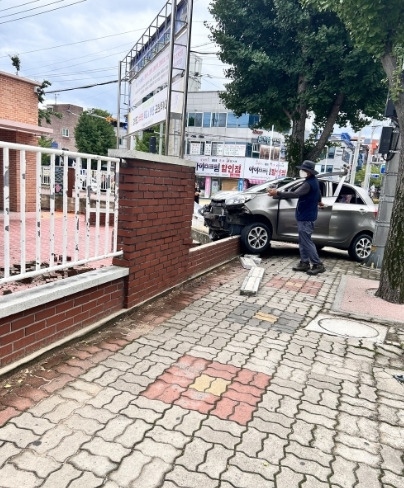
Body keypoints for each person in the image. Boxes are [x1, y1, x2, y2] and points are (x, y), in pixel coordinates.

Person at [267, 160, 326, 275]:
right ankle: (304, 263)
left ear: (309, 172)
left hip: (306, 217)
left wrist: (277, 193)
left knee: (306, 241)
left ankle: (318, 264)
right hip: (306, 215)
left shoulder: (308, 183)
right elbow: (318, 192)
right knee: (303, 240)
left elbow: (295, 194)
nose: (302, 172)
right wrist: (319, 201)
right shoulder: (313, 181)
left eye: (304, 170)